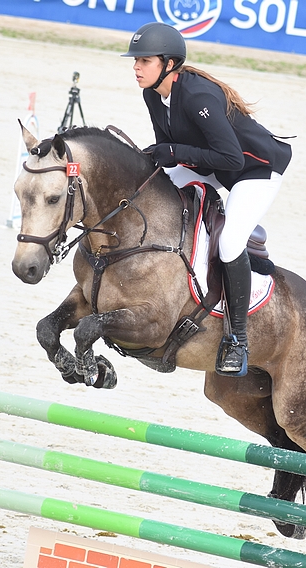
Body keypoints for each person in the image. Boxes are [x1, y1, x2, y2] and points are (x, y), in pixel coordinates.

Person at [122, 22, 292, 377]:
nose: (136, 67)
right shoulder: (153, 94)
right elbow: (170, 150)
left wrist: (175, 151)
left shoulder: (199, 97)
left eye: (144, 60)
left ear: (168, 64)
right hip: (212, 164)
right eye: (135, 60)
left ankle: (237, 340)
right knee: (154, 190)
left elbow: (230, 159)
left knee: (230, 242)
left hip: (254, 171)